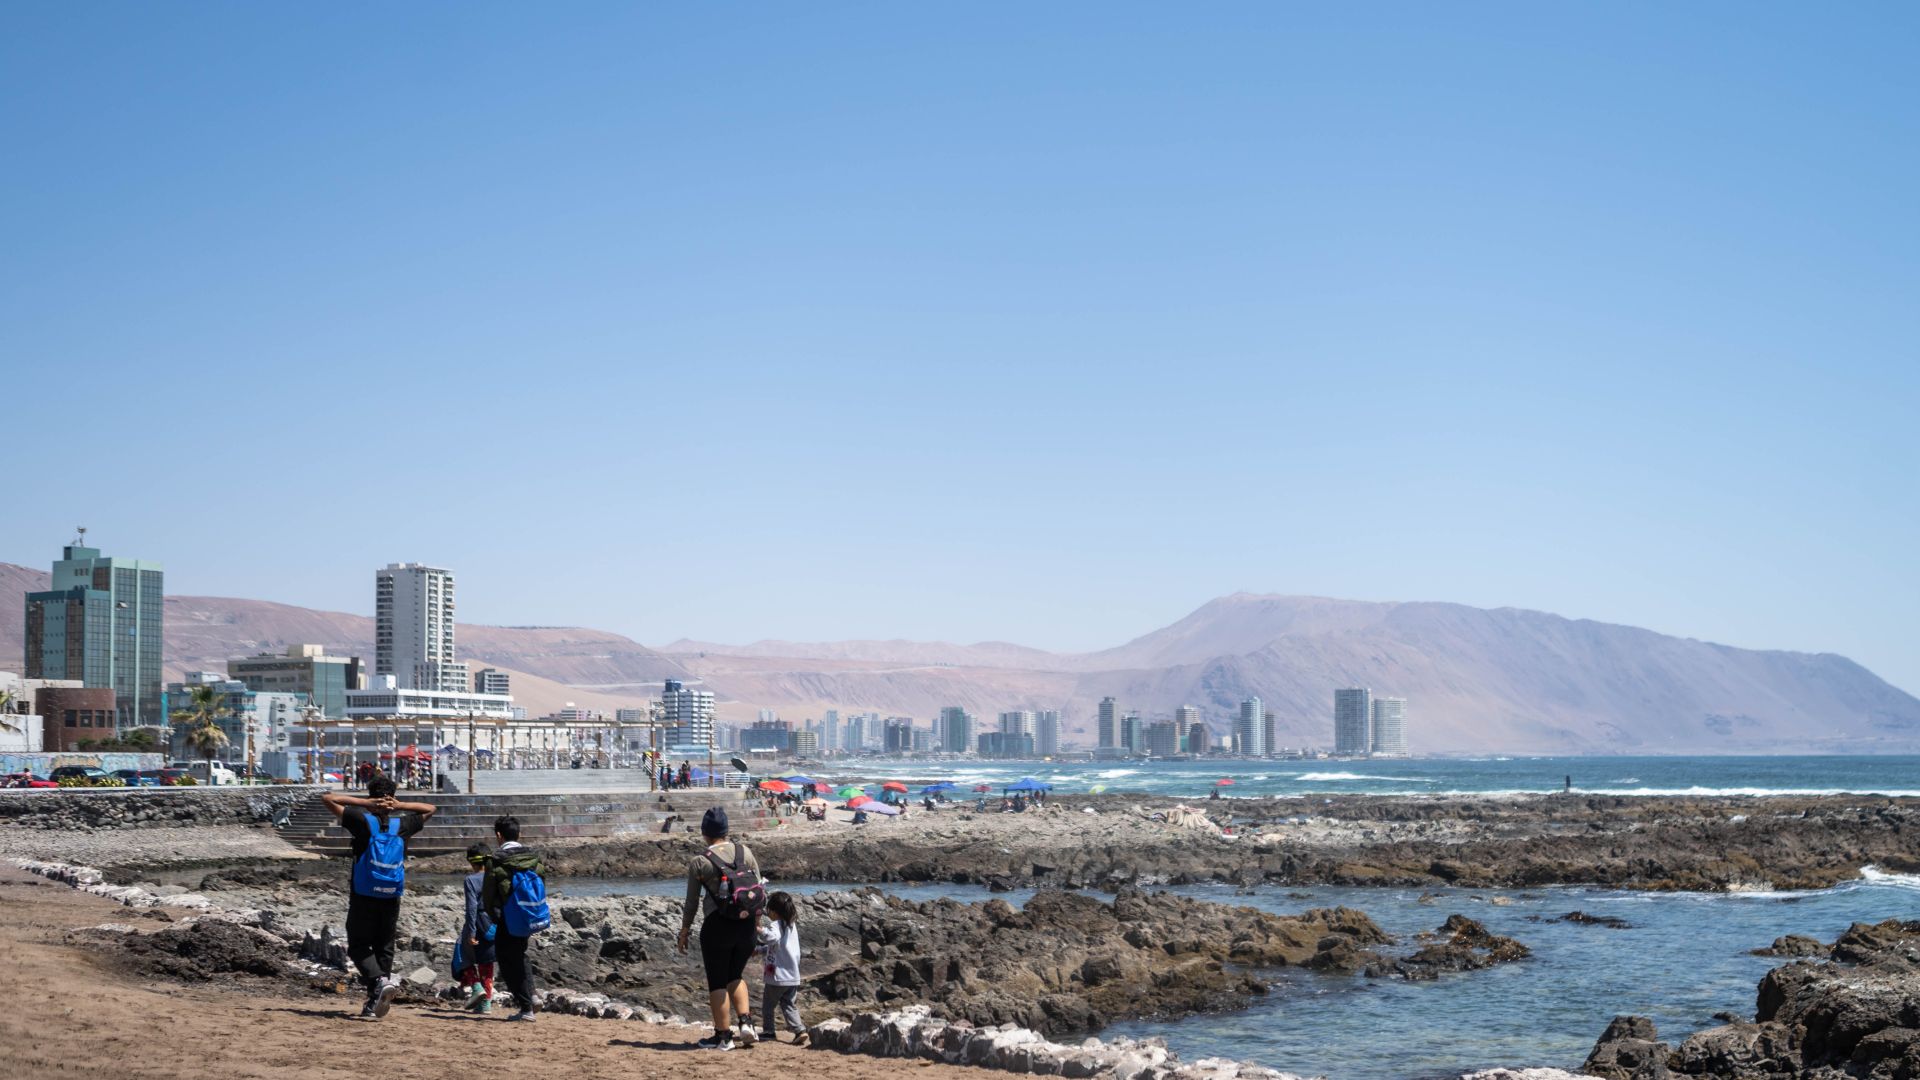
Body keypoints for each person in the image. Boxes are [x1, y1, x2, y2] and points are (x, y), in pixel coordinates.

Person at [321, 775, 436, 1020]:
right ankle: (374, 1000)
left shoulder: (361, 820)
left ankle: (378, 982)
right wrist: (399, 805)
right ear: (393, 795)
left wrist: (367, 803)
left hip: (363, 893)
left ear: (370, 794)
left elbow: (328, 798)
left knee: (359, 945)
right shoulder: (402, 825)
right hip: (391, 893)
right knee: (385, 946)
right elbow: (430, 808)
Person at [679, 806, 760, 1051]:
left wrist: (684, 932)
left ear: (705, 832)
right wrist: (757, 927)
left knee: (717, 982)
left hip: (717, 927)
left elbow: (691, 903)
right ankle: (746, 1023)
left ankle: (723, 1037)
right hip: (746, 925)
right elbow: (758, 891)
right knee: (735, 975)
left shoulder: (700, 862)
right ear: (726, 830)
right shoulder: (744, 852)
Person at [482, 815, 544, 1022]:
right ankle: (533, 996)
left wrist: (494, 916)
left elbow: (489, 894)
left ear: (498, 835)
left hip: (507, 917)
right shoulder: (534, 858)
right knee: (519, 953)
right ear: (520, 834)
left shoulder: (496, 860)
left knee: (507, 960)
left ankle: (526, 1007)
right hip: (528, 914)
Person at [756, 891, 808, 1045]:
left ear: (774, 911)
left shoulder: (776, 925)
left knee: (768, 1005)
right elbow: (778, 947)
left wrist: (759, 929)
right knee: (788, 1004)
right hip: (793, 976)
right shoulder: (791, 925)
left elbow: (772, 938)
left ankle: (769, 1031)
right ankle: (799, 1030)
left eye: (768, 911)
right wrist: (760, 951)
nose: (767, 914)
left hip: (778, 976)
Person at [457, 843, 497, 1013]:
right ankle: (485, 1004)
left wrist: (471, 932)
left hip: (478, 924)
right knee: (486, 963)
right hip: (494, 925)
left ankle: (476, 987)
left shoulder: (470, 880)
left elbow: (471, 908)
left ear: (472, 862)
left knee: (461, 956)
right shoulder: (495, 876)